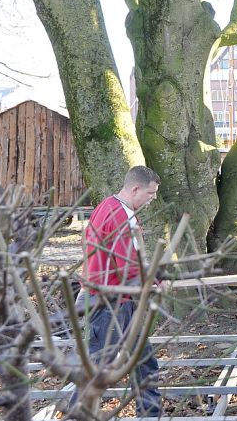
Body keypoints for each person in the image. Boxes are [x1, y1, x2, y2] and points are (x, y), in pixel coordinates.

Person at [73, 166, 162, 417]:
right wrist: (151, 285)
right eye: (150, 193)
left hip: (116, 300)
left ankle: (150, 415)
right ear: (135, 189)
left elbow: (134, 261)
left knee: (144, 362)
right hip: (108, 303)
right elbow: (127, 271)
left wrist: (152, 278)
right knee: (97, 371)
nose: (152, 199)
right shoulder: (121, 217)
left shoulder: (110, 206)